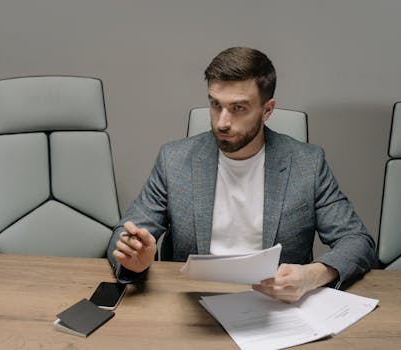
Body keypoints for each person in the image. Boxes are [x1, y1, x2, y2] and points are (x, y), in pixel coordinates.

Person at [107, 47, 375, 303]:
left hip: (275, 304)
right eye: (215, 105)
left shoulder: (307, 164)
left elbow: (357, 241)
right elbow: (124, 234)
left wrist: (312, 275)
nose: (222, 122)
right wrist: (135, 258)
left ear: (267, 110)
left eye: (238, 108)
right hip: (195, 303)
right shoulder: (174, 160)